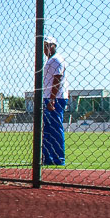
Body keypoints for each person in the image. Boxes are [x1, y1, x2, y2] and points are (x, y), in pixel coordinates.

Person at [42, 36, 69, 166]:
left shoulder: (56, 60)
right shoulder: (50, 61)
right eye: (44, 46)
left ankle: (59, 158)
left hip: (56, 98)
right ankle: (48, 157)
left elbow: (56, 80)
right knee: (48, 129)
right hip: (49, 96)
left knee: (56, 128)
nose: (45, 49)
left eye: (48, 45)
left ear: (53, 46)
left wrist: (52, 99)